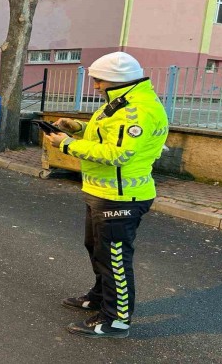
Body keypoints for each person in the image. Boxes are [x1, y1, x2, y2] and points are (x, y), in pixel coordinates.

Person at [46, 52, 169, 339]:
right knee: (97, 248)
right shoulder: (120, 104)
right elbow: (109, 136)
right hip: (103, 192)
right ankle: (100, 297)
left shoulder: (135, 111)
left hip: (121, 197)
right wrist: (78, 128)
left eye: (99, 80)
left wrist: (67, 145)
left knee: (114, 258)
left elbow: (119, 153)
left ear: (117, 80)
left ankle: (116, 320)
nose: (96, 86)